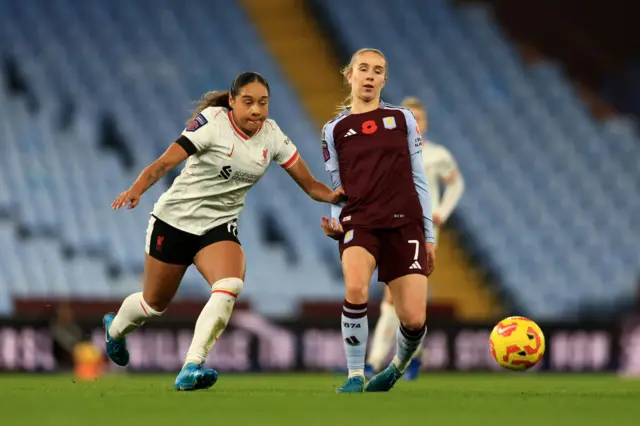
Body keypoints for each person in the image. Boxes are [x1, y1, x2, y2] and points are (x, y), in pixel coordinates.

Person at [103, 71, 344, 391]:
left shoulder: (272, 135)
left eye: (263, 103)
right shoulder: (212, 122)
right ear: (231, 102)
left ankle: (191, 366)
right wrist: (137, 189)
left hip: (217, 227)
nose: (257, 110)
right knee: (153, 305)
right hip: (174, 222)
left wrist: (334, 195)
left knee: (229, 284)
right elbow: (164, 162)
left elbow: (311, 185)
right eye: (248, 102)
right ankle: (115, 331)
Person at [320, 48, 436, 393]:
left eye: (378, 71)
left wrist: (428, 236)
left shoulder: (403, 120)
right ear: (349, 75)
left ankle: (396, 367)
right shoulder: (334, 129)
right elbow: (336, 185)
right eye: (364, 69)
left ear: (384, 80)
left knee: (413, 319)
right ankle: (355, 375)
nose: (370, 76)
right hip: (360, 222)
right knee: (355, 289)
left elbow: (419, 179)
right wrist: (335, 220)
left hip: (405, 224)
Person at [365, 96, 465, 380]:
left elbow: (456, 184)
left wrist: (441, 212)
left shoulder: (437, 155)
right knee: (403, 301)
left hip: (422, 230)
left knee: (393, 298)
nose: (414, 123)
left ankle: (373, 363)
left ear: (425, 123)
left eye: (418, 118)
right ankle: (415, 355)